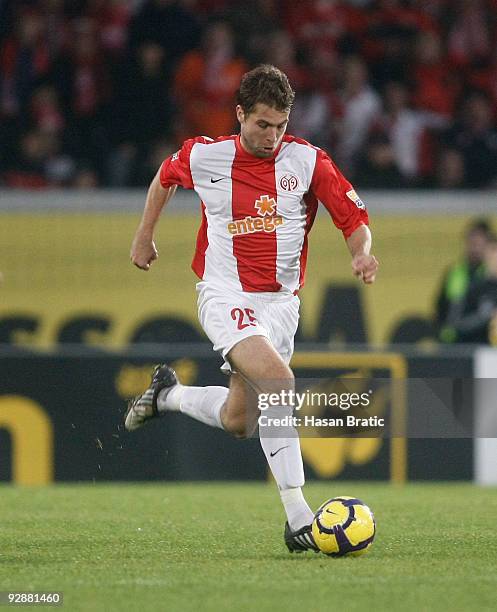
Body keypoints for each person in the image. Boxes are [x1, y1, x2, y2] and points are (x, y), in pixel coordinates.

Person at [126, 65, 379, 553]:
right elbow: (164, 177)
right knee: (279, 382)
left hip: (282, 306)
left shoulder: (307, 162)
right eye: (263, 124)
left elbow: (352, 216)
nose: (272, 135)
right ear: (240, 114)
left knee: (241, 421)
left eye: (281, 125)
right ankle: (299, 517)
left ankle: (167, 396)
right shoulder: (206, 155)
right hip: (226, 295)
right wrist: (144, 235)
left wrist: (361, 252)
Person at [436, 218, 492, 342]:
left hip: (482, 342)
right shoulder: (455, 271)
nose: (475, 248)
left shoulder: (491, 274)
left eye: (479, 244)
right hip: (452, 342)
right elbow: (441, 306)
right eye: (472, 243)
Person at [450, 236, 497, 344]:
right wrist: (486, 316)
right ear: (485, 256)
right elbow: (456, 324)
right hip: (479, 352)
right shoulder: (474, 288)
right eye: (492, 252)